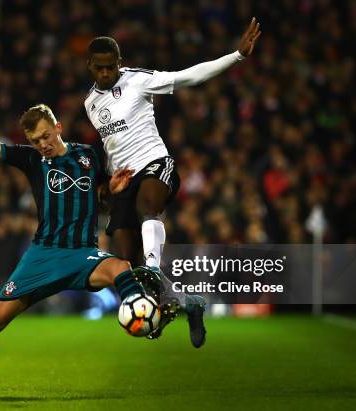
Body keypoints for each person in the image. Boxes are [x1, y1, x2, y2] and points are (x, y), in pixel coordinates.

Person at [0, 95, 155, 394]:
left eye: (46, 137)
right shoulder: (33, 160)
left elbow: (101, 195)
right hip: (43, 254)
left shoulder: (89, 156)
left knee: (121, 267)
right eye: (35, 140)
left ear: (58, 128)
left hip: (82, 253)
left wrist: (112, 189)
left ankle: (143, 312)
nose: (42, 145)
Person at [84, 18, 262, 346]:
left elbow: (186, 77)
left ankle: (154, 266)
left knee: (148, 206)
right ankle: (185, 304)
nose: (106, 73)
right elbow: (111, 147)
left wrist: (236, 55)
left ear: (119, 64)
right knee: (129, 265)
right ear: (90, 67)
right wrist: (107, 184)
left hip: (155, 163)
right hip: (123, 180)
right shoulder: (90, 104)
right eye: (99, 68)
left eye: (111, 67)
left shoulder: (139, 81)